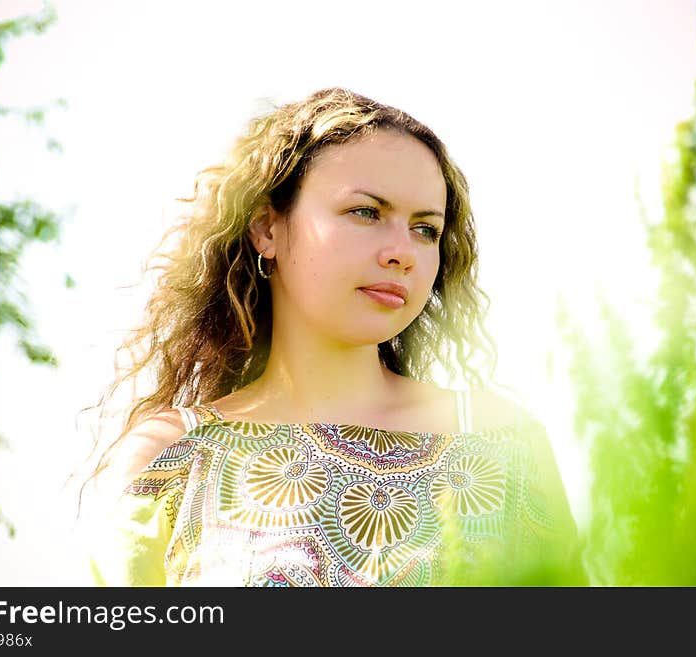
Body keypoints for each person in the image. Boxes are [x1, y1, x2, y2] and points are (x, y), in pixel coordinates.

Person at [81, 87, 585, 586]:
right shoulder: (170, 456)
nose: (402, 251)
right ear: (267, 229)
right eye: (366, 212)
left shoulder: (501, 441)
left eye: (425, 229)